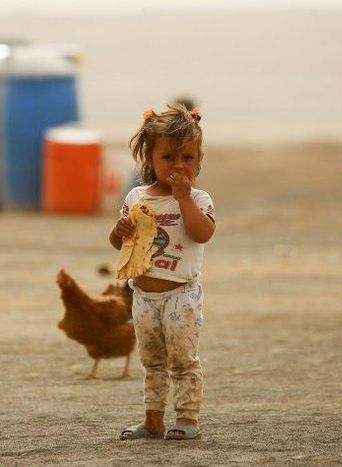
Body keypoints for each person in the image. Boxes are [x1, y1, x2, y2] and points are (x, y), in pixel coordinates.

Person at [109, 103, 215, 441]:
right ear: (150, 161)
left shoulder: (198, 199)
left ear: (198, 160)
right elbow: (118, 243)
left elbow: (202, 234)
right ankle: (152, 419)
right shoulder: (137, 197)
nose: (177, 165)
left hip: (181, 294)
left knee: (182, 358)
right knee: (152, 360)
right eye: (167, 157)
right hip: (143, 295)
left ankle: (187, 418)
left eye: (187, 157)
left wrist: (184, 199)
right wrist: (120, 229)